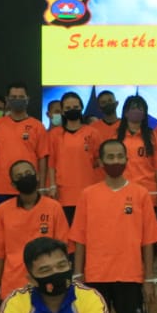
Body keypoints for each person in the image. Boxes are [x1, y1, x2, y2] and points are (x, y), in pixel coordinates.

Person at [71, 139, 157, 313]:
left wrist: (148, 279)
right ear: (101, 161)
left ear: (127, 159)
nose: (115, 161)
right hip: (95, 275)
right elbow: (79, 239)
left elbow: (148, 240)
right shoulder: (88, 194)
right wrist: (78, 275)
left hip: (129, 275)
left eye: (120, 156)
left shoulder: (140, 194)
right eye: (110, 157)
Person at [0, 157, 68, 304]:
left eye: (28, 173)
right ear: (13, 184)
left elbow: (63, 248)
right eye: (19, 176)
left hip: (47, 285)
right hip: (12, 287)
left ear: (37, 176)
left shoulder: (54, 208)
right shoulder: (3, 210)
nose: (25, 177)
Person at [0, 83, 49, 206]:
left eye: (21, 97)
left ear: (28, 99)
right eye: (14, 97)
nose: (17, 100)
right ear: (7, 100)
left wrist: (41, 186)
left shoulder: (37, 126)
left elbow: (42, 158)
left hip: (29, 184)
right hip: (2, 187)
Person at [49, 90, 101, 224]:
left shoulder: (93, 133)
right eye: (68, 108)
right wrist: (52, 186)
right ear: (62, 111)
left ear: (82, 108)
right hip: (63, 192)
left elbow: (99, 160)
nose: (72, 110)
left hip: (88, 190)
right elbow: (52, 163)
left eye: (75, 107)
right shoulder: (55, 134)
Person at [114, 95, 157, 204]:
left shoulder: (152, 136)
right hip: (122, 189)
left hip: (148, 191)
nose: (136, 111)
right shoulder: (115, 136)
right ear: (125, 112)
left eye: (140, 108)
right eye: (133, 108)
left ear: (145, 114)